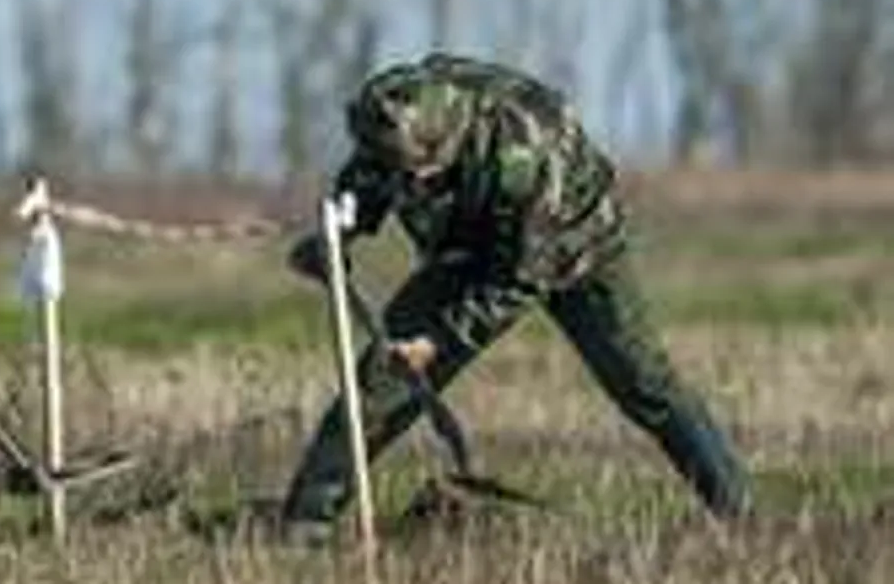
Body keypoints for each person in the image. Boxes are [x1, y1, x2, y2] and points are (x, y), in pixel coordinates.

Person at [279, 52, 751, 541]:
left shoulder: (526, 144)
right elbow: (368, 178)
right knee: (383, 378)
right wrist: (340, 234)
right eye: (407, 172)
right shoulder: (392, 117)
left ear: (452, 140)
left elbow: (519, 278)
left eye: (424, 173)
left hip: (572, 247)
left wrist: (438, 342)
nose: (414, 183)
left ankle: (740, 514)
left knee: (644, 383)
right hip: (467, 246)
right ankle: (305, 526)